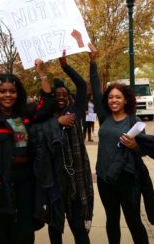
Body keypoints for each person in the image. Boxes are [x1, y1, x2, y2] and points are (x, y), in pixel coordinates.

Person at [0, 59, 57, 244]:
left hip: (24, 188)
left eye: (12, 91)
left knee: (24, 236)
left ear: (18, 93)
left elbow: (49, 104)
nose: (8, 95)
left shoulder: (24, 114)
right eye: (2, 91)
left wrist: (42, 73)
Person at [88, 42, 150, 244]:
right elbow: (96, 90)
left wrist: (135, 146)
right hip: (105, 178)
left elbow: (143, 152)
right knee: (111, 220)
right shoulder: (104, 117)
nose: (114, 100)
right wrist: (93, 62)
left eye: (118, 97)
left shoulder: (134, 122)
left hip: (127, 178)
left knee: (133, 221)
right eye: (111, 97)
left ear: (125, 100)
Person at [47, 50, 94, 244]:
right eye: (57, 94)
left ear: (69, 98)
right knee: (55, 230)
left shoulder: (75, 113)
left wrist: (65, 66)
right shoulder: (46, 119)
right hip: (54, 183)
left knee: (79, 231)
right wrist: (57, 122)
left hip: (75, 182)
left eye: (64, 94)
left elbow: (82, 85)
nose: (61, 97)